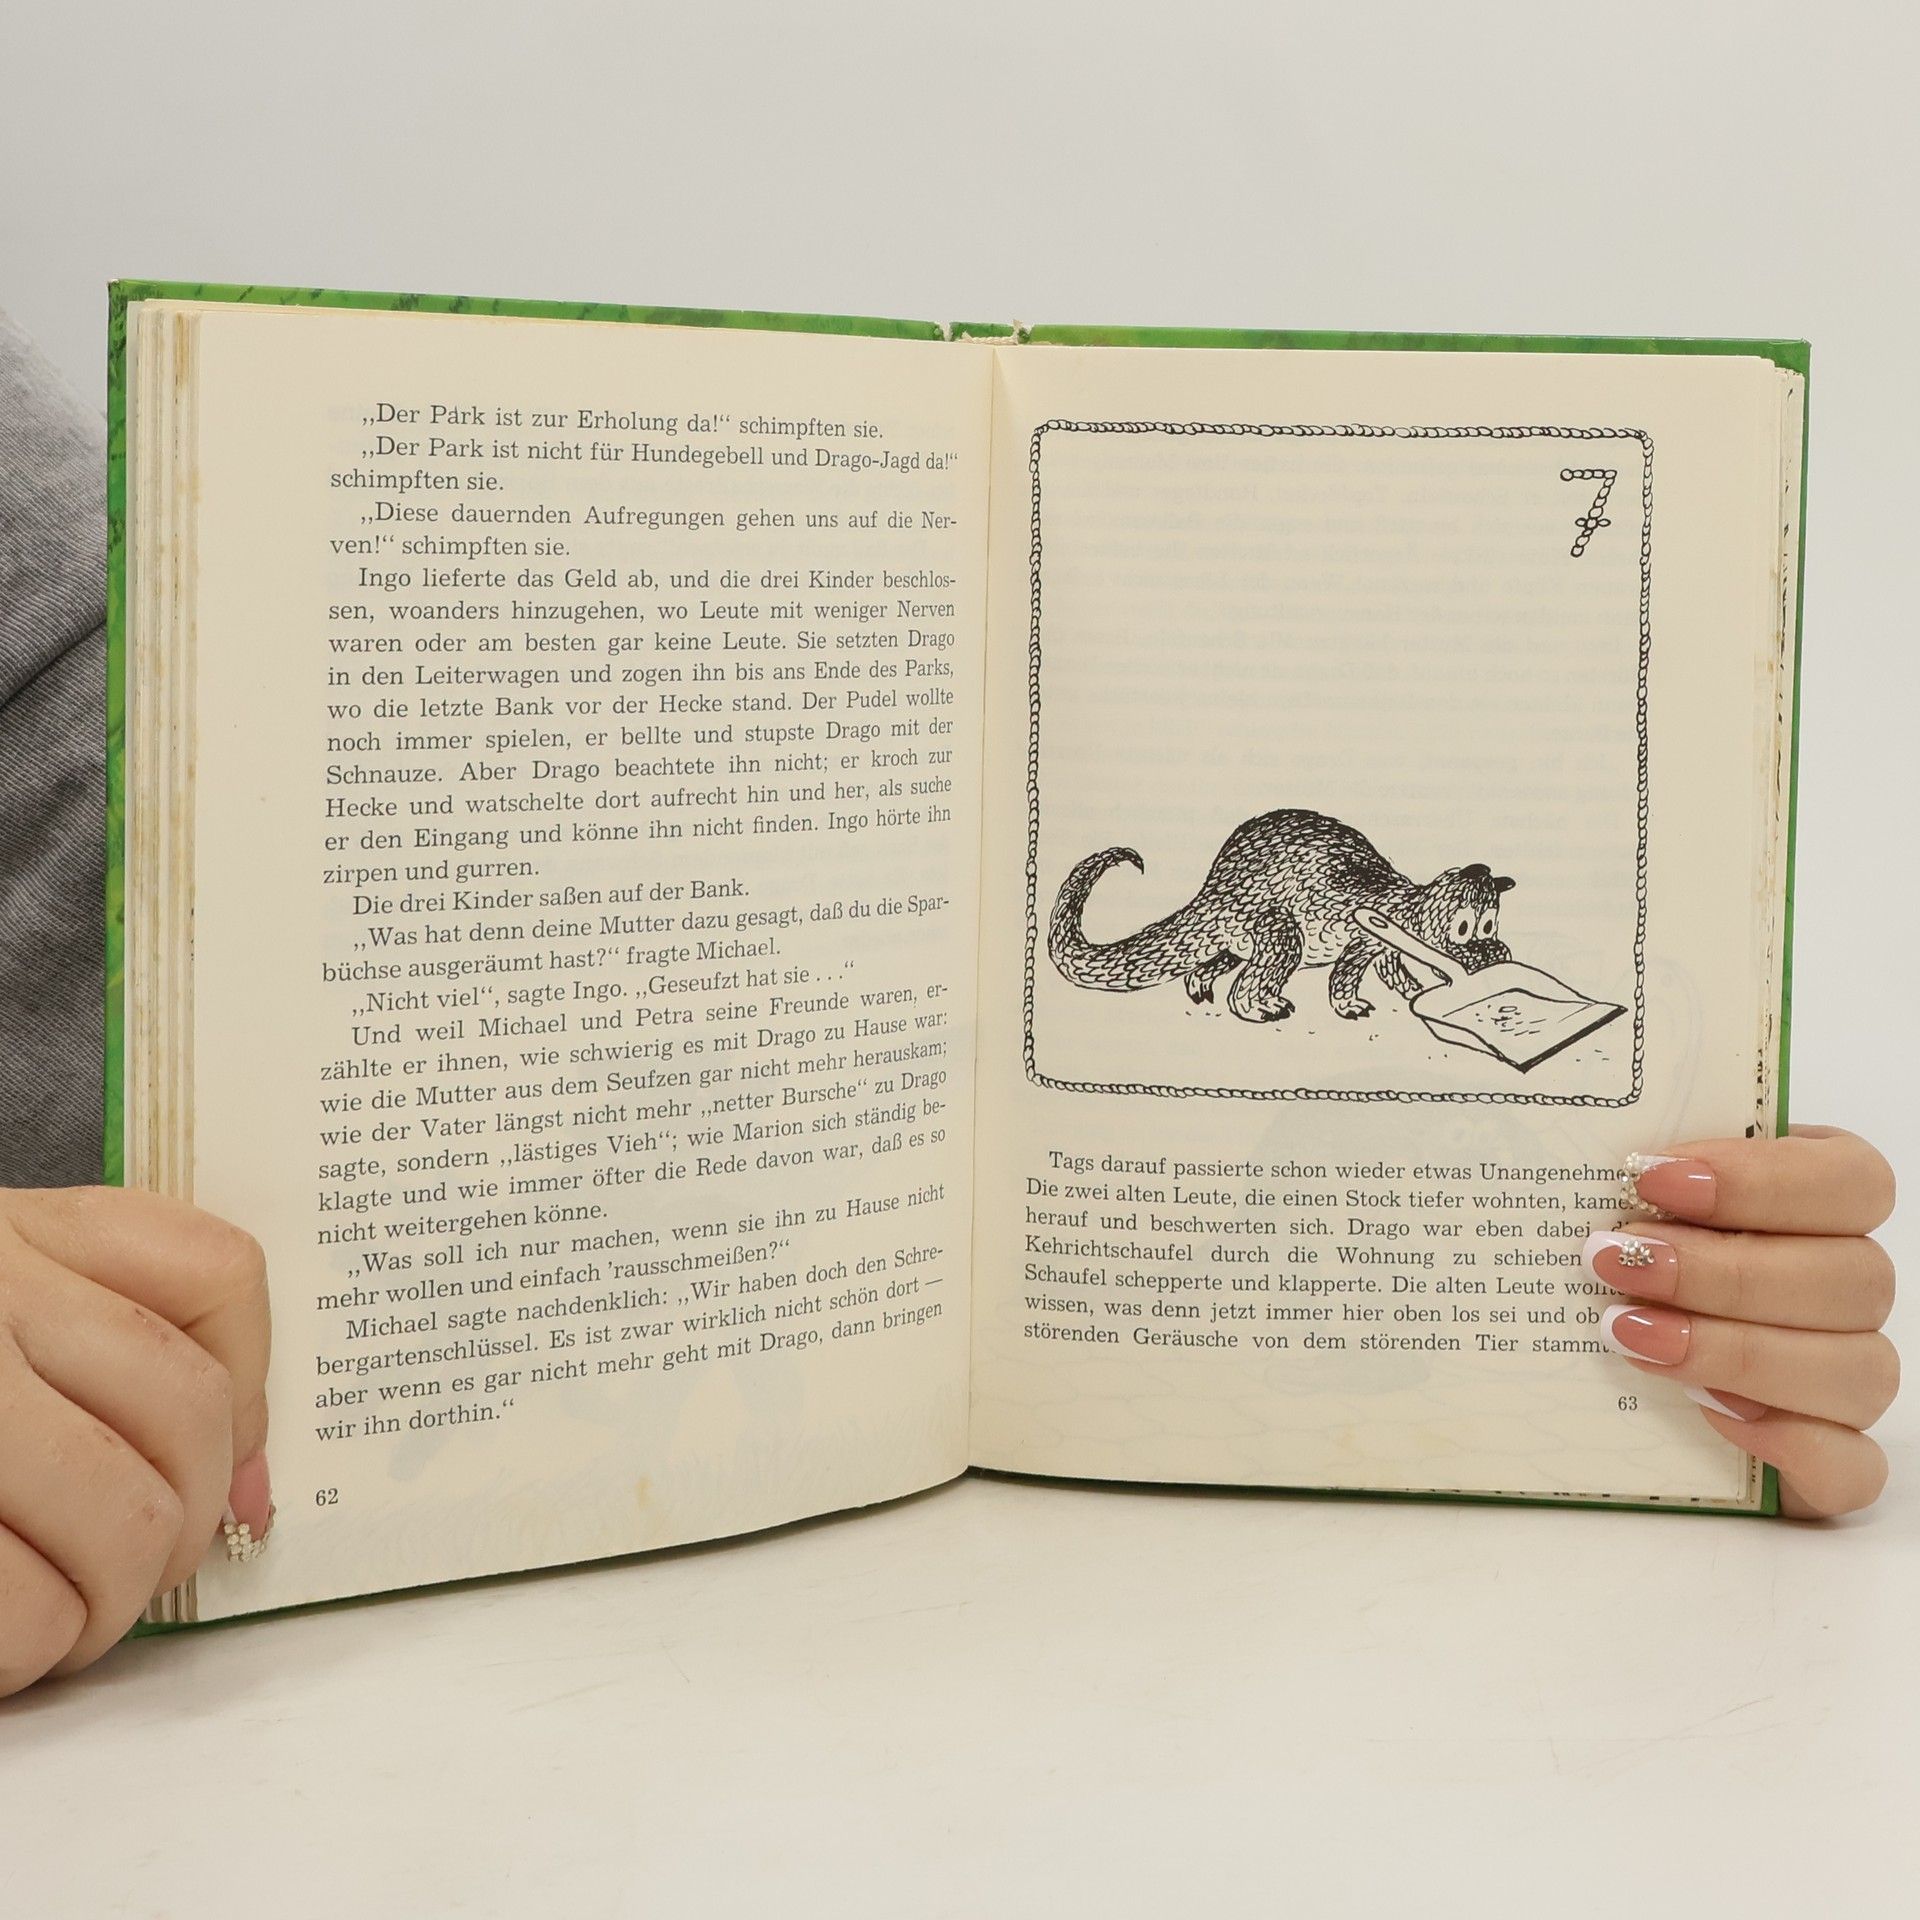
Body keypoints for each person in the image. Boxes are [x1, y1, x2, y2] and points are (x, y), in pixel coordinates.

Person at [0, 310, 1898, 1700]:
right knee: (1238, 946)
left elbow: (182, 934)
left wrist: (1600, 1234)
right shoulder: (1359, 915)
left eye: (1464, 939)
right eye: (1466, 932)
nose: (1466, 945)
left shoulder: (73, 632)